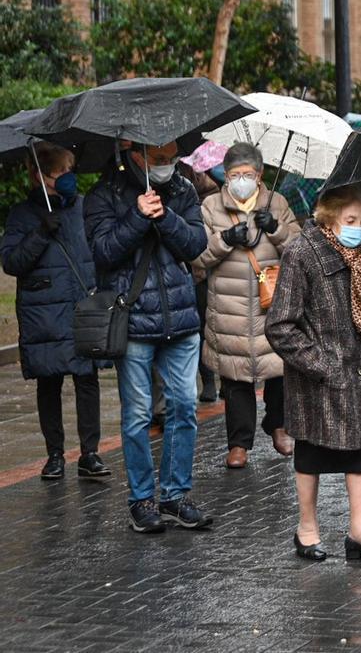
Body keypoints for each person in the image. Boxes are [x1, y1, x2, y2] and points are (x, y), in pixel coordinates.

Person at [265, 186, 361, 562]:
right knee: (310, 452)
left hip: (354, 369)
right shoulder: (301, 252)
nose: (358, 228)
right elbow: (280, 325)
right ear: (329, 217)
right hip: (319, 375)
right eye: (350, 221)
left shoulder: (355, 254)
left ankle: (360, 531)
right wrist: (321, 365)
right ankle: (306, 528)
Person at [84, 141, 210, 533]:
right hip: (134, 320)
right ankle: (142, 499)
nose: (167, 165)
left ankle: (174, 495)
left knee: (184, 407)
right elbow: (103, 252)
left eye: (172, 157)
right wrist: (138, 217)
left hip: (181, 319)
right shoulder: (103, 195)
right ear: (132, 152)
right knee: (137, 415)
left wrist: (165, 216)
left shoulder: (183, 189)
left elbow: (195, 244)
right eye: (158, 159)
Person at [0, 143, 108, 481]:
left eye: (69, 171)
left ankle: (90, 453)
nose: (66, 179)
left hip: (80, 305)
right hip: (43, 313)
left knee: (86, 379)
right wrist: (39, 233)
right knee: (49, 383)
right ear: (38, 175)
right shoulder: (22, 214)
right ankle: (55, 455)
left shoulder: (83, 208)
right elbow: (12, 262)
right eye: (58, 172)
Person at [193, 143, 301, 469]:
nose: (242, 181)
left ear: (260, 175)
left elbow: (299, 250)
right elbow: (197, 258)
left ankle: (279, 425)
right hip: (230, 307)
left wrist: (276, 229)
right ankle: (239, 443)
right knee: (236, 377)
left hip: (272, 303)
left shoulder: (277, 203)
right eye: (235, 175)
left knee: (280, 369)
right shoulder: (210, 207)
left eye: (248, 175)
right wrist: (226, 240)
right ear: (225, 177)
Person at [179, 159, 222, 403]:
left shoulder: (191, 171)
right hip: (177, 265)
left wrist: (197, 209)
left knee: (205, 326)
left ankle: (209, 381)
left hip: (198, 270)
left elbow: (210, 192)